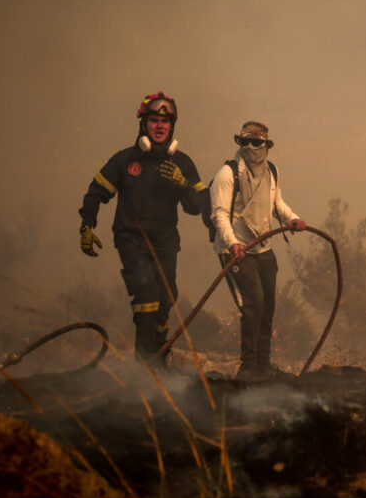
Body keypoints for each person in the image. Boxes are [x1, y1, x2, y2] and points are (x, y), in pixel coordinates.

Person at [79, 92, 207, 366]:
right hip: (131, 241)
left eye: (165, 121)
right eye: (154, 120)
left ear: (172, 126)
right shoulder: (124, 161)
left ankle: (158, 359)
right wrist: (87, 224)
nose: (160, 126)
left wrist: (182, 184)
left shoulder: (182, 163)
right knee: (146, 294)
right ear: (143, 125)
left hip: (166, 244)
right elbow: (95, 192)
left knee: (166, 298)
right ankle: (143, 365)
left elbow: (198, 207)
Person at [210, 121, 306, 379]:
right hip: (237, 250)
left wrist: (292, 219)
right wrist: (233, 244)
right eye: (246, 142)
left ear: (266, 145)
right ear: (240, 143)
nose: (251, 147)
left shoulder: (271, 171)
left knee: (268, 307)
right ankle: (248, 368)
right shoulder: (228, 174)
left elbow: (277, 204)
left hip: (263, 248)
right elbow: (219, 215)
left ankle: (263, 365)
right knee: (254, 304)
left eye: (257, 142)